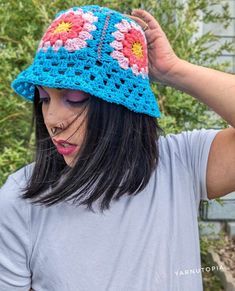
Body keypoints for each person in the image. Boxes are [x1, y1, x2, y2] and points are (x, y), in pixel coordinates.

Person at [0, 4, 235, 291]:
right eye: (45, 98)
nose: (52, 120)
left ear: (121, 105)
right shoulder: (21, 200)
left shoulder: (178, 165)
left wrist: (173, 70)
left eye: (74, 98)